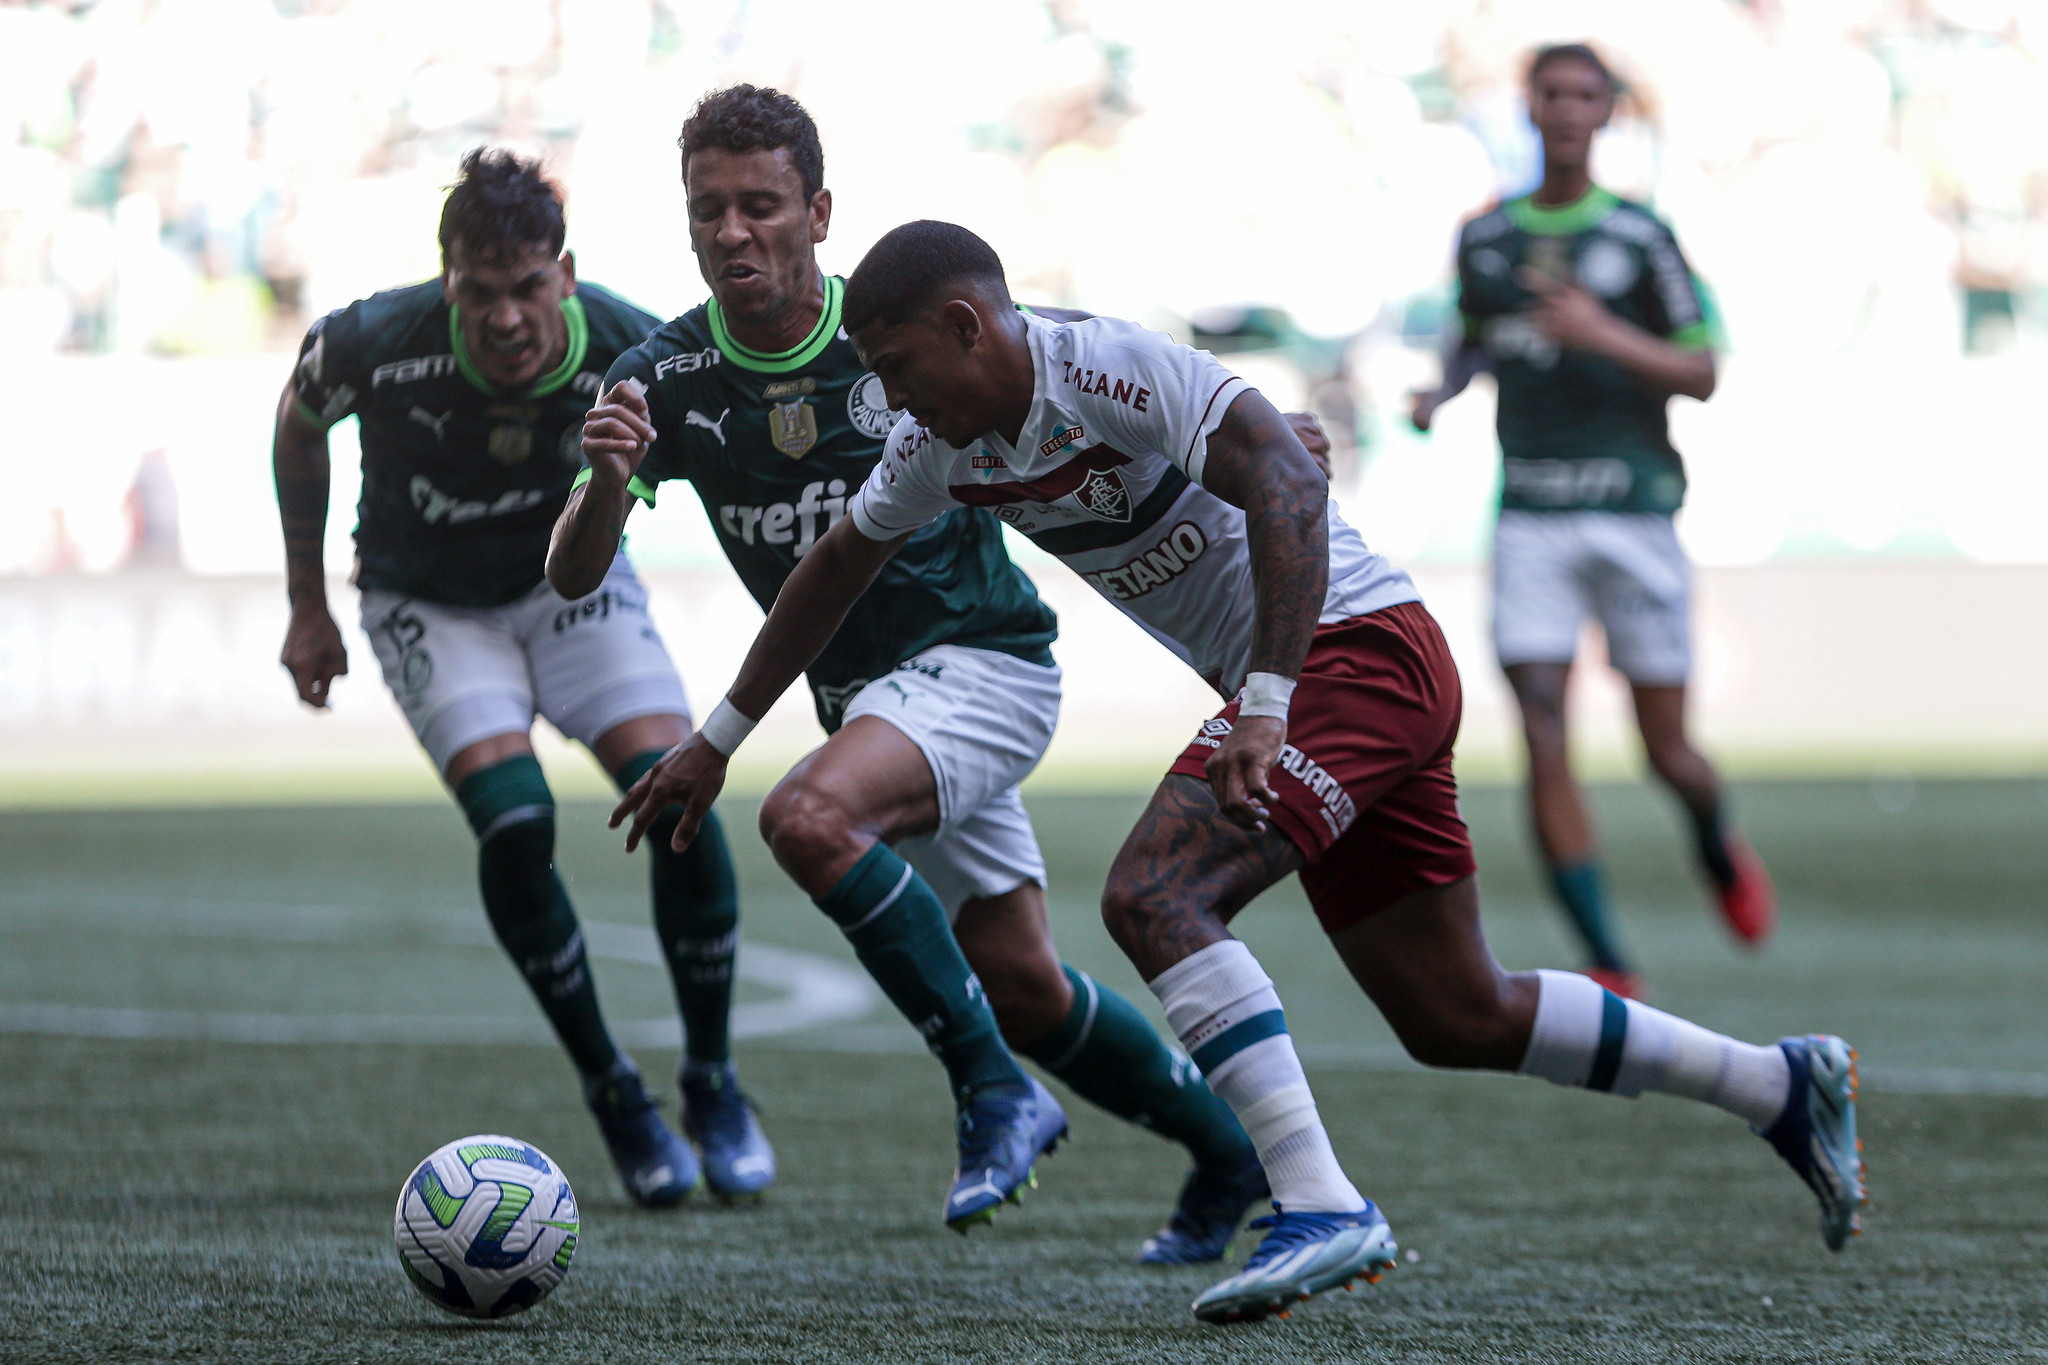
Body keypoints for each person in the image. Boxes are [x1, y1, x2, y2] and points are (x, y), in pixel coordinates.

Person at [620, 218, 1867, 1324]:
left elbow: (1282, 472)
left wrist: (1265, 703)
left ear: (963, 325)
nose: (887, 401)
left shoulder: (1095, 363)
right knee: (1454, 1014)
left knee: (1153, 895)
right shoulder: (938, 443)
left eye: (894, 369)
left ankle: (1318, 1203)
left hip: (1354, 654)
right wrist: (715, 742)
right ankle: (1776, 1084)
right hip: (1331, 676)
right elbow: (834, 567)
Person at [549, 85, 1264, 1253]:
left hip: (981, 662)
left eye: (760, 206)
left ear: (817, 212)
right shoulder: (662, 381)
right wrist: (603, 481)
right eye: (709, 210)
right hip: (868, 710)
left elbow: (1082, 354)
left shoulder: (904, 328)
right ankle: (1229, 1156)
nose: (733, 232)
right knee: (1026, 985)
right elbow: (575, 575)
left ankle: (992, 1093)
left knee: (811, 819)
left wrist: (1261, 426)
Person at [273, 148, 769, 1207]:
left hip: (572, 591)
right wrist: (307, 603)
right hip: (430, 603)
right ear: (448, 283)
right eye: (480, 293)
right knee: (515, 823)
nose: (505, 318)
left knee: (679, 795)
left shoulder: (637, 346)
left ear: (567, 275)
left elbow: (734, 461)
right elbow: (299, 424)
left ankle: (714, 1082)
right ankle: (613, 1091)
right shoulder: (370, 340)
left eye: (528, 288)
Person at [1411, 43, 1773, 998]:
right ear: (1529, 110)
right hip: (1531, 512)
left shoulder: (1642, 236)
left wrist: (1599, 331)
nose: (1568, 110)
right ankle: (1607, 953)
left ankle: (1714, 839)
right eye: (1552, 94)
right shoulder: (1485, 238)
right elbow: (1475, 340)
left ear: (1608, 113)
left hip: (1634, 512)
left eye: (1585, 95)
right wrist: (1436, 392)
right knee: (1541, 727)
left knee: (1668, 750)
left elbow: (1701, 373)